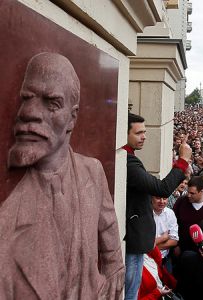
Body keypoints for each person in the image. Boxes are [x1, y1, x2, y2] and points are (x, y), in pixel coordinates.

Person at [0, 52, 124, 299]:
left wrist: (113, 271)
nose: (29, 112)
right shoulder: (8, 220)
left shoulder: (93, 172)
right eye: (26, 98)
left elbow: (110, 241)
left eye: (52, 102)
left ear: (72, 117)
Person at [124, 113, 191, 300]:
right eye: (139, 133)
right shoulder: (129, 161)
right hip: (134, 240)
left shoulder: (130, 157)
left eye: (144, 132)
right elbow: (161, 188)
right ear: (124, 133)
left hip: (137, 240)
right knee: (131, 292)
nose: (144, 136)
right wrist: (183, 161)